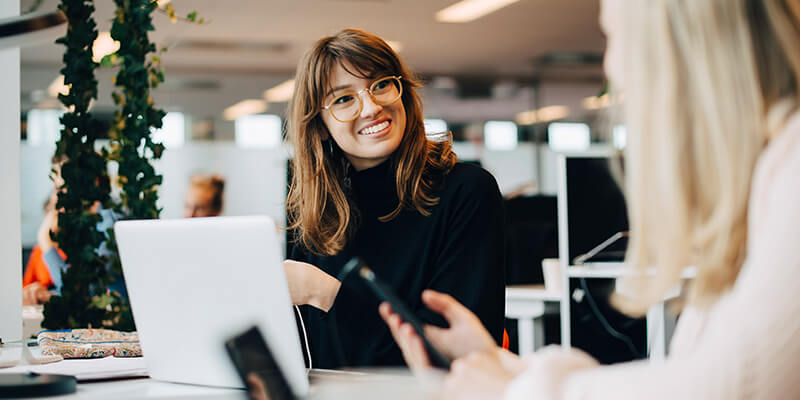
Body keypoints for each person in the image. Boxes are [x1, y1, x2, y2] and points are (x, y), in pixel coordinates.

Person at [381, 0, 800, 398]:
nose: (610, 66)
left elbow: (735, 389)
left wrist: (515, 389)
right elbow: (694, 375)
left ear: (681, 44)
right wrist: (501, 368)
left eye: (614, 36)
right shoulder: (764, 176)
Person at [283, 28, 506, 369]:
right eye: (344, 99)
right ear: (320, 124)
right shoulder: (313, 214)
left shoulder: (467, 192)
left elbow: (454, 355)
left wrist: (327, 294)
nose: (371, 107)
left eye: (381, 84)